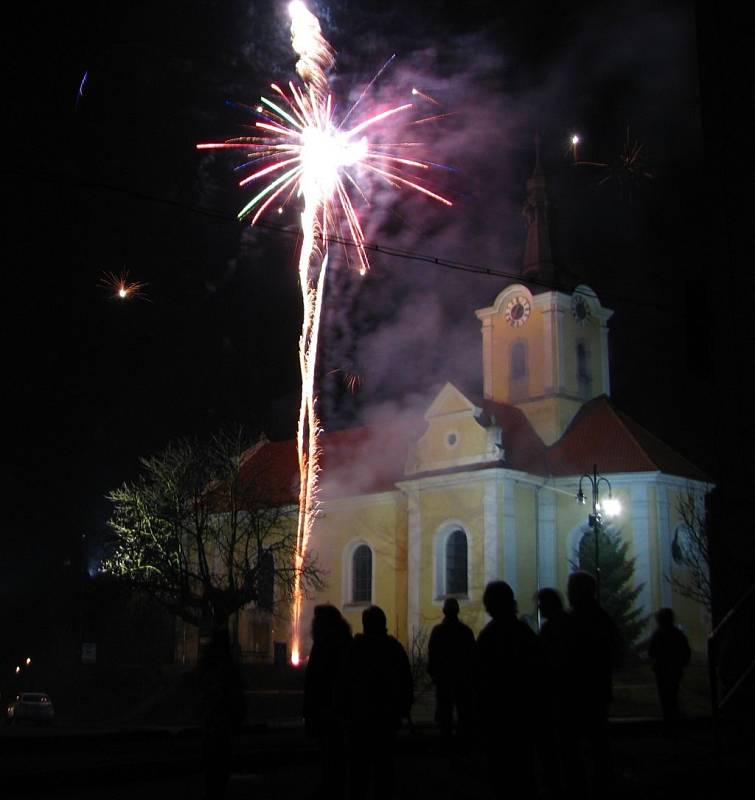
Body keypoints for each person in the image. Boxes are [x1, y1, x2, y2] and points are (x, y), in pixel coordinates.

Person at [474, 581, 542, 799]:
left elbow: (480, 677)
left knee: (502, 772)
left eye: (488, 603)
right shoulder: (525, 633)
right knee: (523, 769)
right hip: (522, 714)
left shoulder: (489, 636)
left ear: (491, 605)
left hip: (499, 716)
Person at [344, 605, 413, 800]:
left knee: (360, 771)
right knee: (384, 768)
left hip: (360, 720)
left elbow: (345, 682)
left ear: (365, 624)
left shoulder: (357, 648)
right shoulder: (393, 647)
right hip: (386, 719)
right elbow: (406, 681)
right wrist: (403, 709)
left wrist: (346, 712)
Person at [566, 570, 619, 795]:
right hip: (597, 688)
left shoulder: (575, 621)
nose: (569, 593)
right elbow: (616, 651)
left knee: (575, 744)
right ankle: (601, 782)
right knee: (598, 741)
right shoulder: (602, 617)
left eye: (572, 589)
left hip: (577, 691)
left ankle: (582, 786)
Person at [303, 604, 353, 800]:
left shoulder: (323, 645)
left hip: (327, 707)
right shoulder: (344, 642)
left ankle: (331, 787)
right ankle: (335, 786)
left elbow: (314, 679)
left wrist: (310, 708)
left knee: (330, 751)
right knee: (335, 751)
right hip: (337, 707)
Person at [197, 627, 246, 800]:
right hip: (223, 725)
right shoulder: (228, 666)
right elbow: (236, 695)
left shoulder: (208, 664)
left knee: (211, 771)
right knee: (220, 770)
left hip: (211, 724)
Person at [427, 597, 475, 747]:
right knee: (463, 712)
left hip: (444, 679)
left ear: (444, 611)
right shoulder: (465, 631)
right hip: (462, 679)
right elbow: (472, 656)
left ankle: (446, 743)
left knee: (445, 712)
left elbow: (432, 653)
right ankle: (464, 743)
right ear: (457, 611)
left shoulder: (438, 631)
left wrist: (433, 673)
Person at [648, 607, 691, 728]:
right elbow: (686, 652)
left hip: (661, 670)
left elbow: (651, 652)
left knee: (664, 697)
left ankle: (668, 723)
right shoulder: (678, 634)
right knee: (673, 694)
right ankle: (675, 722)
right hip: (675, 669)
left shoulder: (658, 634)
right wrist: (681, 663)